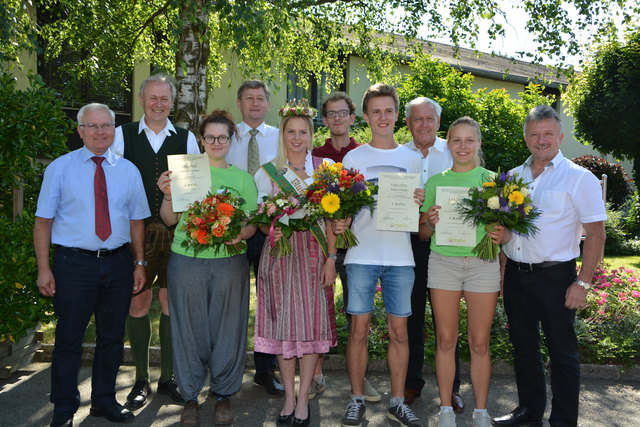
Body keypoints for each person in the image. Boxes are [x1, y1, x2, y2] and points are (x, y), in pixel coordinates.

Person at [489, 105, 606, 427]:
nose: (541, 140)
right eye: (534, 134)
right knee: (524, 350)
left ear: (560, 136)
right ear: (526, 137)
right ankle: (529, 411)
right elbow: (504, 231)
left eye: (548, 134)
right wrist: (502, 275)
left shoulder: (580, 179)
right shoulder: (513, 177)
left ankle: (564, 420)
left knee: (563, 355)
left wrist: (582, 282)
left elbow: (596, 233)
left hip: (556, 277)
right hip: (516, 275)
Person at [35, 103, 150, 427]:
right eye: (93, 126)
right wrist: (44, 268)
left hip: (117, 264)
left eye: (107, 126)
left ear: (115, 129)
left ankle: (103, 401)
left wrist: (139, 264)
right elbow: (43, 222)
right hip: (74, 265)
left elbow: (137, 222)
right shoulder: (60, 168)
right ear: (80, 130)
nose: (101, 132)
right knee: (69, 339)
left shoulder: (128, 170)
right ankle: (63, 407)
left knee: (112, 338)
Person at [157, 110, 257, 426]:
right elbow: (170, 220)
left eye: (222, 137)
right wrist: (168, 195)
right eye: (210, 137)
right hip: (187, 262)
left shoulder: (243, 179)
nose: (216, 142)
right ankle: (190, 397)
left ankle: (224, 395)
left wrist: (238, 233)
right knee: (188, 329)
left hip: (230, 263)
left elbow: (252, 226)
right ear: (202, 139)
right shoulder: (185, 172)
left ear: (231, 140)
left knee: (228, 329)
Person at [112, 73, 200, 409]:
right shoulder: (123, 136)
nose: (159, 104)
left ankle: (168, 377)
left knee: (169, 304)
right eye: (153, 98)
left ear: (172, 101)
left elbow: (194, 193)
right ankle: (140, 379)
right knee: (137, 302)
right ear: (141, 99)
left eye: (165, 98)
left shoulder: (187, 139)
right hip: (134, 233)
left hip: (175, 232)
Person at [339, 83, 424, 427]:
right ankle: (356, 399)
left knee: (400, 332)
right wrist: (340, 218)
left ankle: (398, 402)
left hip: (401, 257)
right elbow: (342, 211)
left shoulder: (412, 158)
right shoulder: (353, 158)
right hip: (360, 255)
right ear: (366, 116)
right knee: (358, 330)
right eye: (376, 111)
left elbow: (418, 218)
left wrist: (418, 204)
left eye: (389, 110)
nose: (383, 117)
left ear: (396, 115)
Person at [253, 103, 338, 426]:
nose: (297, 137)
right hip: (280, 253)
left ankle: (304, 399)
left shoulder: (326, 168)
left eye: (303, 131)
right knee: (283, 325)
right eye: (291, 131)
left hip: (316, 254)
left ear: (312, 134)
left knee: (312, 325)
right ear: (282, 135)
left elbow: (332, 219)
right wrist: (274, 215)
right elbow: (262, 225)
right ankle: (288, 396)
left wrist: (332, 258)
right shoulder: (267, 173)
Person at [419, 117, 499, 427]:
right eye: (456, 140)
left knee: (480, 342)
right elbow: (424, 234)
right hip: (444, 262)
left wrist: (500, 233)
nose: (463, 146)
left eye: (469, 140)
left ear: (479, 144)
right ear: (448, 144)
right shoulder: (436, 182)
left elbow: (504, 231)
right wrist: (430, 220)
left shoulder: (493, 182)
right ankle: (445, 410)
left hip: (482, 265)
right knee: (445, 339)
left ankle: (481, 411)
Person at [309, 92, 380, 403]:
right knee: (320, 307)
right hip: (323, 245)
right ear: (324, 120)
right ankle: (316, 373)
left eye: (342, 113)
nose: (337, 119)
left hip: (357, 246)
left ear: (353, 118)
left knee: (358, 311)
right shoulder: (314, 155)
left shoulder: (363, 154)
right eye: (330, 114)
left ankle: (359, 379)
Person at [403, 97, 464, 412]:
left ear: (439, 123)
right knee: (410, 317)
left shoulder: (454, 151)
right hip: (408, 245)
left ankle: (451, 388)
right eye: (417, 119)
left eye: (429, 119)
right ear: (409, 123)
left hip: (446, 246)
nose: (424, 124)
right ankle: (411, 383)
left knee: (446, 322)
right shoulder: (399, 156)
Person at [226, 80, 284, 394]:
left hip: (268, 230)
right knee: (232, 304)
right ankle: (228, 371)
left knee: (269, 304)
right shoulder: (227, 135)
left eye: (260, 98)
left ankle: (265, 370)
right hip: (232, 231)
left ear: (268, 103)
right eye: (248, 98)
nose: (255, 104)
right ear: (239, 103)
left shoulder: (280, 137)